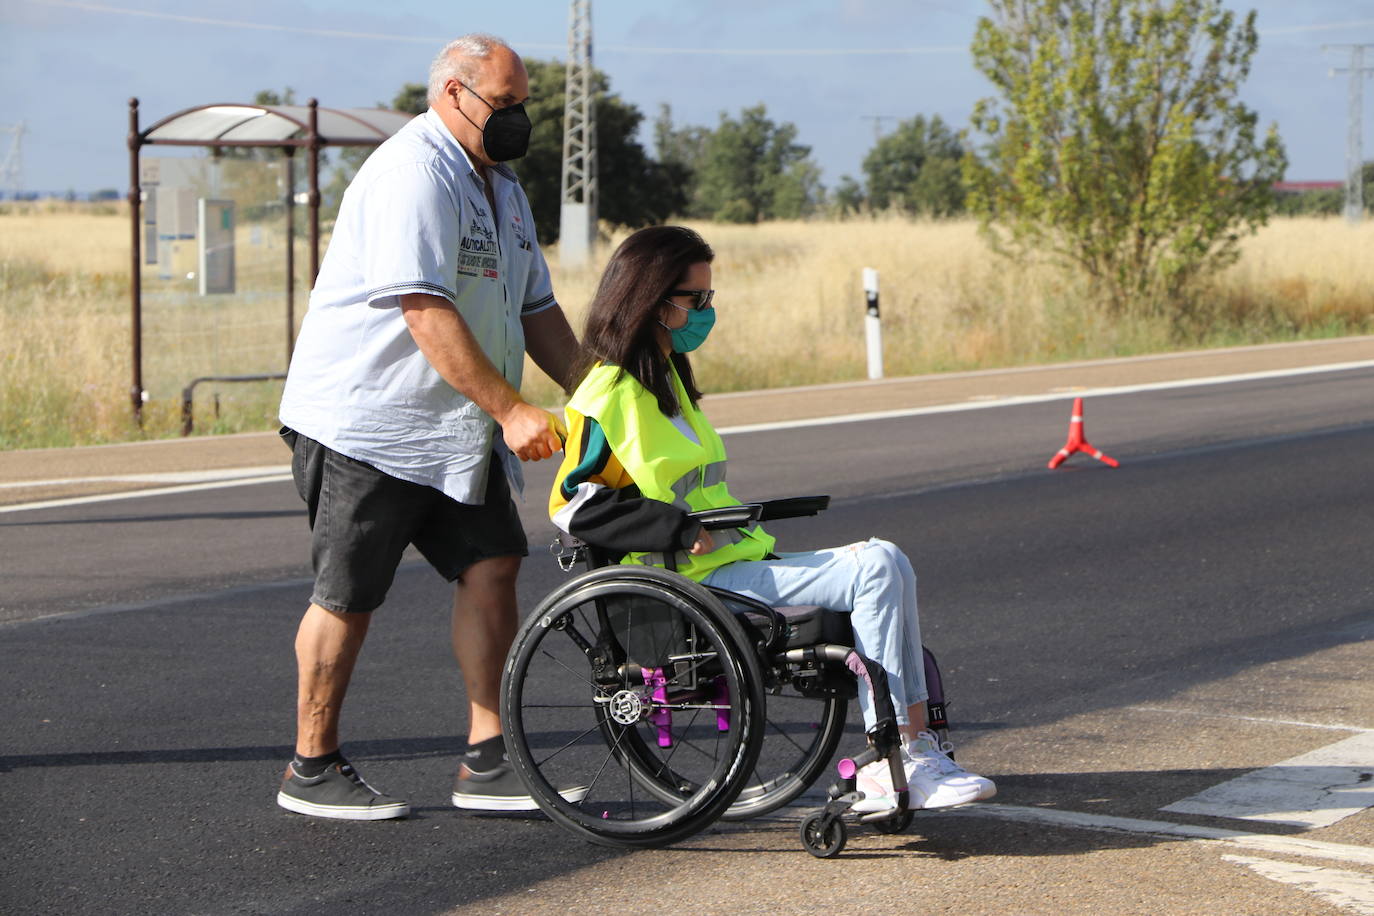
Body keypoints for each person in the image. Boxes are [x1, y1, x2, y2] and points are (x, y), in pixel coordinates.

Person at [548, 226, 996, 813]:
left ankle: (916, 751)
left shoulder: (668, 381)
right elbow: (572, 504)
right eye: (697, 301)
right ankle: (896, 761)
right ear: (653, 302)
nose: (708, 312)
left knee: (892, 562)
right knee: (878, 565)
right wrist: (678, 529)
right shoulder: (607, 391)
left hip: (729, 566)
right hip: (684, 584)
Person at [275, 34, 579, 820]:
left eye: (523, 105)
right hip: (367, 420)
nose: (517, 120)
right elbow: (424, 308)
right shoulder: (416, 172)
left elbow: (536, 308)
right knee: (349, 594)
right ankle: (312, 766)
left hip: (454, 420)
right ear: (452, 94)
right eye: (502, 104)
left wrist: (599, 389)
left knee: (493, 567)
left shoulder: (503, 187)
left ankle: (488, 761)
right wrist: (512, 409)